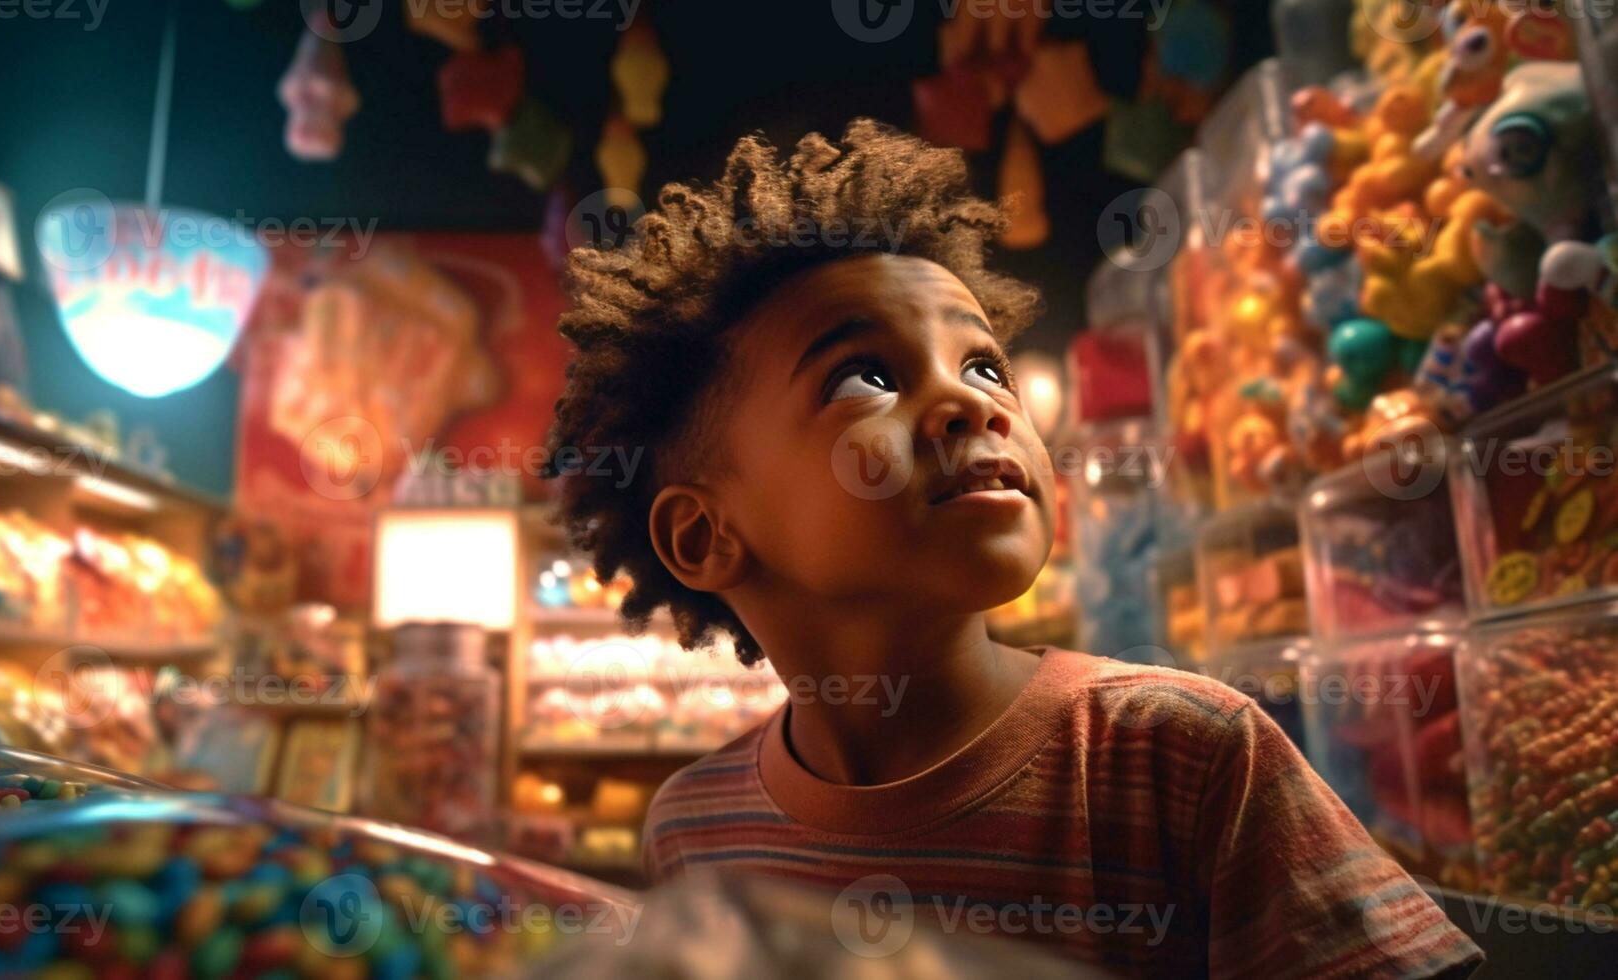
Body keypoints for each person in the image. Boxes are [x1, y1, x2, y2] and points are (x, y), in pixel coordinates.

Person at [544, 120, 1481, 978]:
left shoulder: (1181, 756)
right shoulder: (692, 828)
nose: (975, 403)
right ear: (704, 536)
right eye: (864, 376)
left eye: (983, 364)